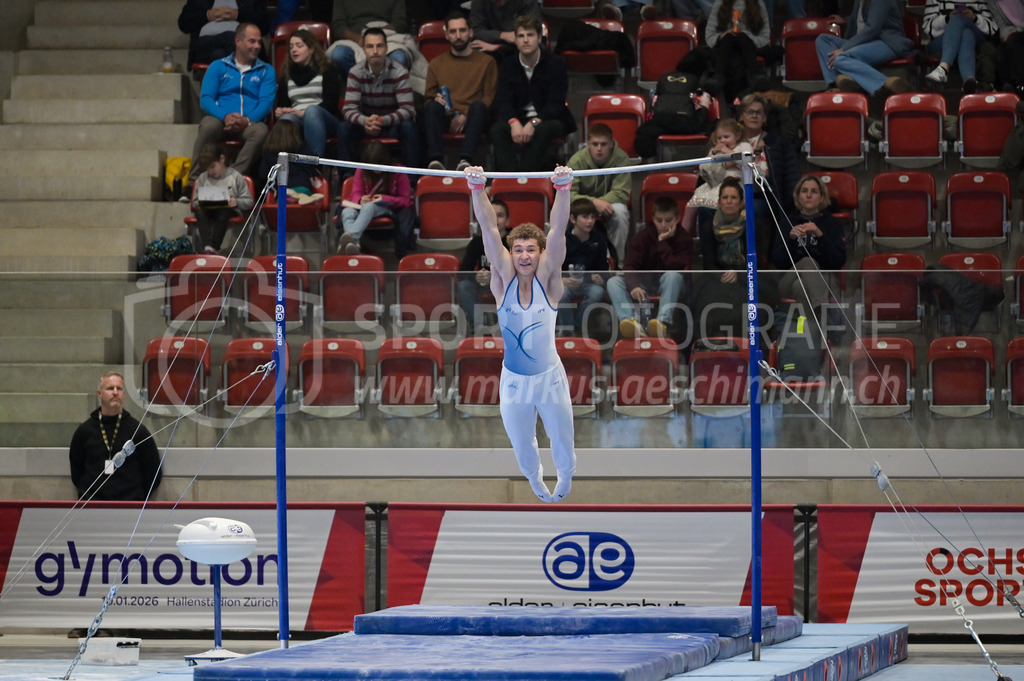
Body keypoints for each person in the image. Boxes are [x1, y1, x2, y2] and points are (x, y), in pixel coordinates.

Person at [465, 164, 576, 503]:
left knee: (561, 437)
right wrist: (477, 188)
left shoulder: (549, 282)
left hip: (549, 377)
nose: (525, 256)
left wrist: (563, 188)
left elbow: (557, 230)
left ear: (541, 254)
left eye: (531, 250)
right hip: (514, 379)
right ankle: (534, 478)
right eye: (519, 250)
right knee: (520, 440)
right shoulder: (501, 282)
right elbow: (488, 227)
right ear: (510, 255)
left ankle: (567, 474)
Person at [187, 23, 276, 185]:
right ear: (238, 41)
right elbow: (206, 99)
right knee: (208, 126)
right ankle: (193, 181)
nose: (257, 46)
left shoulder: (266, 70)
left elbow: (266, 103)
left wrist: (246, 120)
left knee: (261, 131)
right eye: (252, 41)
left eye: (258, 42)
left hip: (249, 123)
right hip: (220, 120)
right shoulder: (218, 66)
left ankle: (232, 178)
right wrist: (225, 116)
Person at [490, 15, 576, 172]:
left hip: (549, 119)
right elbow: (503, 101)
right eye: (521, 36)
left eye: (530, 35)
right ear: (515, 40)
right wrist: (513, 122)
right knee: (497, 130)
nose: (525, 40)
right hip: (519, 118)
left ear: (539, 38)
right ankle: (511, 179)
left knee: (544, 129)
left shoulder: (556, 64)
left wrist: (534, 122)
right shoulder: (508, 65)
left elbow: (556, 103)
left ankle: (528, 178)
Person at [69, 372, 162, 502]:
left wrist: (137, 497)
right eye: (110, 388)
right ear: (99, 394)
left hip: (130, 505)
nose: (115, 392)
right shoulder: (84, 431)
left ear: (124, 394)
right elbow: (77, 469)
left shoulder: (137, 431)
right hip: (92, 504)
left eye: (119, 388)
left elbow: (152, 470)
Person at [607, 196, 692, 339]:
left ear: (677, 218)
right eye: (659, 220)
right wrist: (633, 286)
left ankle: (662, 322)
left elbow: (676, 266)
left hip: (672, 284)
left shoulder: (684, 239)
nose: (664, 225)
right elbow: (630, 265)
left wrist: (662, 243)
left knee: (673, 275)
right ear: (652, 219)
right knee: (613, 282)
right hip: (644, 283)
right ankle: (632, 322)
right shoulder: (642, 237)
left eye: (668, 220)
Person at [424, 11, 499, 171]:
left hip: (476, 117)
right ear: (447, 35)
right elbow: (428, 97)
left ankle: (465, 160)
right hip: (447, 116)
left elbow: (489, 98)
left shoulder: (487, 62)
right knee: (431, 107)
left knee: (479, 107)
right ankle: (436, 161)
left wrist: (465, 115)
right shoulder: (437, 63)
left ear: (470, 32)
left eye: (462, 30)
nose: (458, 36)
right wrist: (436, 100)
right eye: (453, 31)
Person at [338, 27, 420, 173]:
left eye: (379, 46)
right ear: (363, 49)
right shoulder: (355, 72)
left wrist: (382, 121)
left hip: (392, 124)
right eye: (370, 46)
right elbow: (348, 109)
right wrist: (365, 121)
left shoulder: (399, 71)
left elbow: (408, 110)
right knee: (345, 127)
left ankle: (411, 180)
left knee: (409, 126)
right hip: (366, 125)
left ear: (386, 48)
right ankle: (347, 180)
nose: (375, 51)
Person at [772, 175, 847, 321]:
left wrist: (820, 236)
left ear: (822, 197)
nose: (808, 195)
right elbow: (778, 263)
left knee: (800, 287)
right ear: (798, 197)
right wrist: (791, 240)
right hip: (789, 277)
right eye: (804, 191)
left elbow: (838, 261)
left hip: (824, 278)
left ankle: (810, 332)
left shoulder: (833, 224)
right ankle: (823, 312)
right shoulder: (787, 222)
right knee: (807, 261)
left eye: (814, 191)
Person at [814, 0, 915, 97]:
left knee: (840, 59)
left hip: (887, 42)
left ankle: (885, 84)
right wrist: (845, 20)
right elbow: (861, 19)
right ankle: (835, 84)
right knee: (823, 40)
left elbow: (872, 29)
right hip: (864, 43)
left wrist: (844, 49)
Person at [566, 123, 632, 265]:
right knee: (562, 213)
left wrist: (602, 203)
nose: (599, 149)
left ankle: (616, 263)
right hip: (583, 206)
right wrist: (594, 203)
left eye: (604, 144)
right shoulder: (576, 161)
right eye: (595, 144)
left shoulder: (622, 158)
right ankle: (565, 264)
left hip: (610, 204)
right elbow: (569, 193)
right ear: (588, 144)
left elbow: (621, 192)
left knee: (621, 213)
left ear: (611, 144)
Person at [337, 141, 415, 258]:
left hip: (388, 208)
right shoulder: (361, 171)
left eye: (379, 164)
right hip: (363, 207)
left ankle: (351, 238)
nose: (376, 170)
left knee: (369, 207)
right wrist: (360, 199)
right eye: (373, 166)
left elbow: (405, 201)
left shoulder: (399, 172)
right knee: (346, 212)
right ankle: (354, 245)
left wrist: (385, 198)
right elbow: (356, 193)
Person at [274, 29, 344, 158]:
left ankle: (313, 164)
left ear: (311, 49)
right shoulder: (286, 75)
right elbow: (282, 103)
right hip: (296, 118)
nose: (294, 50)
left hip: (324, 118)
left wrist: (303, 113)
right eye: (291, 47)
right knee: (285, 120)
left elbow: (331, 103)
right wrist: (279, 111)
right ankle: (285, 166)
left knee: (312, 111)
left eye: (299, 46)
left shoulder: (328, 70)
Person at [682, 118, 755, 235]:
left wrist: (728, 153)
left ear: (737, 135)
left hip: (736, 186)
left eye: (726, 137)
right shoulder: (716, 151)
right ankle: (683, 237)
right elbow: (703, 168)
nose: (722, 141)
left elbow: (748, 163)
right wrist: (713, 154)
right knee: (691, 206)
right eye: (719, 138)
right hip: (715, 186)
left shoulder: (744, 146)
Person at [737, 94, 801, 216]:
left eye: (759, 112)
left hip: (763, 196)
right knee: (706, 209)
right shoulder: (730, 140)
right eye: (750, 112)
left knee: (753, 207)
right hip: (731, 194)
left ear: (765, 118)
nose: (754, 116)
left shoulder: (777, 143)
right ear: (741, 116)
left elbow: (791, 176)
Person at [557, 198, 611, 337]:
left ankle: (578, 328)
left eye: (593, 217)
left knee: (597, 292)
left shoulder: (599, 240)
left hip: (589, 283)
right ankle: (568, 332)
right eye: (585, 217)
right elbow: (552, 266)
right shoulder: (562, 239)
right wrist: (560, 280)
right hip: (566, 283)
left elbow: (604, 267)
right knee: (561, 293)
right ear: (573, 219)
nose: (590, 221)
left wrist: (600, 278)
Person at [458, 198, 511, 335]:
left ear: (507, 220)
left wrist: (495, 277)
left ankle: (511, 329)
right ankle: (479, 330)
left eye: (500, 215)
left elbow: (524, 271)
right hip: (484, 284)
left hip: (509, 285)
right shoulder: (477, 242)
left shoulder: (515, 240)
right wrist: (476, 276)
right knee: (464, 286)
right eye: (491, 215)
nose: (495, 219)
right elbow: (462, 271)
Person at [191, 142, 255, 253]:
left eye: (213, 166)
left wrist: (237, 202)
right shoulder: (203, 178)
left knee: (223, 212)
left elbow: (249, 201)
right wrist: (202, 202)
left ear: (222, 159)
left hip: (229, 210)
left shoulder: (235, 177)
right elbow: (195, 202)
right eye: (208, 169)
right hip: (208, 210)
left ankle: (215, 247)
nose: (211, 171)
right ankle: (207, 246)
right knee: (200, 212)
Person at [923, 0, 997, 93]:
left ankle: (943, 67)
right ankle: (969, 80)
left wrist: (974, 18)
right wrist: (947, 19)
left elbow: (992, 28)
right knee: (966, 33)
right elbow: (927, 28)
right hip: (941, 39)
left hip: (977, 39)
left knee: (960, 19)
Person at [704, 0, 771, 101]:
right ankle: (718, 77)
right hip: (724, 48)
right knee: (729, 38)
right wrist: (723, 35)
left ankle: (755, 76)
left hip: (750, 48)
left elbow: (765, 37)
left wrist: (746, 36)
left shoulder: (758, 3)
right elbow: (709, 36)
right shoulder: (720, 2)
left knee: (742, 37)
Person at [329, 0, 411, 78]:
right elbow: (338, 26)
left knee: (400, 58)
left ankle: (382, 89)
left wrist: (376, 35)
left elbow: (400, 23)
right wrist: (359, 39)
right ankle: (360, 86)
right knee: (338, 55)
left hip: (387, 38)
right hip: (354, 40)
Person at [177, 0, 270, 69]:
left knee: (219, 55)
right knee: (231, 38)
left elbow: (264, 26)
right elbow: (184, 24)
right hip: (206, 44)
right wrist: (207, 15)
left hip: (238, 46)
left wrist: (237, 15)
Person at [469, 0, 543, 61]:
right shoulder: (479, 2)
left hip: (518, 45)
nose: (500, 3)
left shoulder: (527, 2)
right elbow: (476, 30)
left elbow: (532, 32)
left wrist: (499, 47)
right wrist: (502, 35)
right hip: (489, 44)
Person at [988, 0, 1024, 94]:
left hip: (1018, 32)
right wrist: (1006, 35)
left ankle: (1021, 83)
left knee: (1013, 40)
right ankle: (1011, 88)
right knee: (1000, 51)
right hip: (1012, 34)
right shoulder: (992, 2)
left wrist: (1018, 30)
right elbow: (1002, 26)